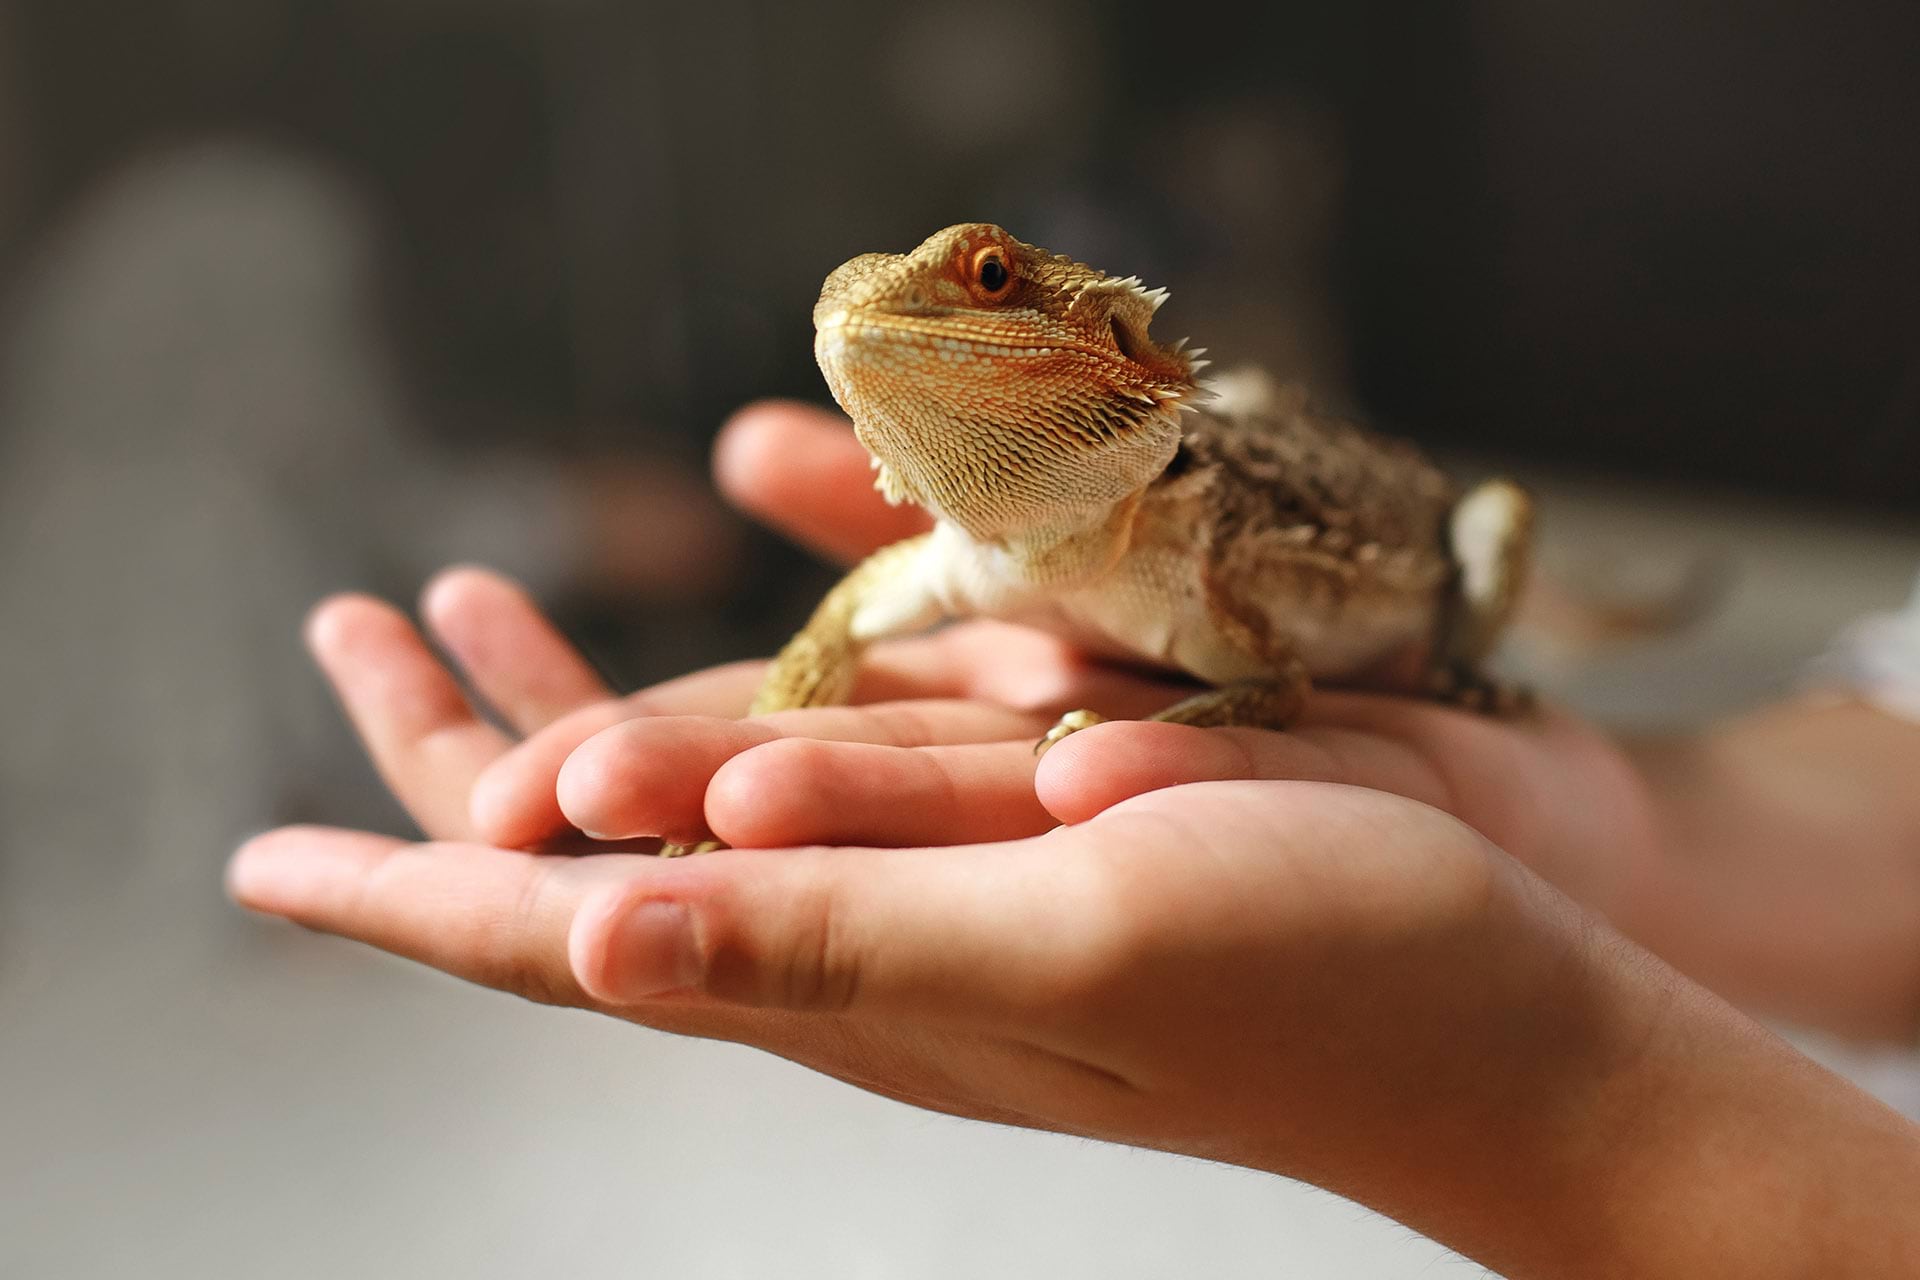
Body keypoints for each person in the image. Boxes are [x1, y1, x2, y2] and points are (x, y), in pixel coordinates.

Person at [229, 401, 1920, 1275]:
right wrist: (1634, 835)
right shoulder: (978, 541)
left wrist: (1561, 1102)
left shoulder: (1192, 537)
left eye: (980, 288)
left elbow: (1250, 680)